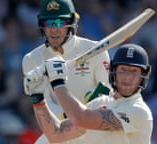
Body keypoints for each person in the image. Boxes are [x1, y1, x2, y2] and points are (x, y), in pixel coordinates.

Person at [25, 44, 153, 144]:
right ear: (113, 71)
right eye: (123, 70)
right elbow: (56, 135)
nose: (127, 77)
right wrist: (38, 98)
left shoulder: (138, 111)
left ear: (143, 76)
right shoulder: (100, 103)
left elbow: (80, 118)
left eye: (134, 71)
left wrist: (58, 82)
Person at [22, 0, 110, 143]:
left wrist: (90, 106)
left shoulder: (95, 51)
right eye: (48, 23)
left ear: (71, 23)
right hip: (58, 132)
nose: (53, 29)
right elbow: (43, 106)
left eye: (59, 23)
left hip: (93, 132)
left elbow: (108, 93)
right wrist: (71, 116)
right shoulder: (32, 59)